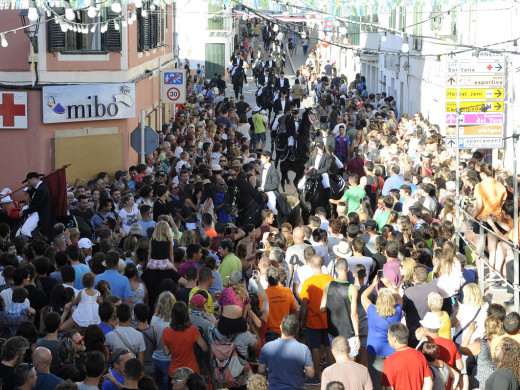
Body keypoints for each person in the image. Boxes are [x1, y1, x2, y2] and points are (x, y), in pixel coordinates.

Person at [361, 277, 402, 390]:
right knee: (391, 381)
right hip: (393, 350)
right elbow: (398, 297)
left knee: (376, 381)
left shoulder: (372, 311)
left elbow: (363, 296)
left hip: (375, 350)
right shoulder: (397, 312)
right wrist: (389, 285)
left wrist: (373, 284)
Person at [299, 255, 334, 386]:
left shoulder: (309, 282)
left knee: (315, 348)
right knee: (329, 347)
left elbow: (304, 303)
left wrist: (302, 319)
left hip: (313, 321)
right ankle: (332, 375)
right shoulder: (330, 279)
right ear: (323, 263)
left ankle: (315, 377)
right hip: (330, 320)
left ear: (310, 265)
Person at [258, 314, 314, 390]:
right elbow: (310, 374)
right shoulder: (304, 349)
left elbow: (261, 370)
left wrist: (272, 373)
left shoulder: (267, 347)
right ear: (297, 330)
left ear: (280, 327)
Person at [320, 258, 361, 362]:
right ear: (347, 269)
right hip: (349, 332)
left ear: (336, 269)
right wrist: (357, 335)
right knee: (351, 359)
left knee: (332, 357)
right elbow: (353, 314)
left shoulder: (328, 285)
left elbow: (322, 308)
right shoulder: (352, 288)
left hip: (332, 330)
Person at [161, 301, 208, 381]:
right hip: (192, 372)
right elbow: (205, 348)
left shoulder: (166, 331)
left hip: (174, 373)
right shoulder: (193, 330)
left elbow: (166, 353)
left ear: (173, 315)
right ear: (186, 314)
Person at [382, 323, 433, 390]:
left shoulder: (389, 361)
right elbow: (429, 383)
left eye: (388, 336)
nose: (387, 338)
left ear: (394, 339)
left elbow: (389, 388)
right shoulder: (419, 355)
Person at [402, 264, 440, 347]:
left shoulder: (409, 292)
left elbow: (402, 310)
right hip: (432, 332)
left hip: (414, 334)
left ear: (414, 276)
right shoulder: (436, 288)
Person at [264, 267, 297, 342]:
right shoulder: (287, 291)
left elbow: (260, 314)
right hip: (286, 330)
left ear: (266, 279)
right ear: (278, 278)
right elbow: (294, 311)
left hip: (270, 332)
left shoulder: (263, 294)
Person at [20, 172, 52, 239]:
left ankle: (31, 243)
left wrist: (24, 212)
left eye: (29, 181)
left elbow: (37, 206)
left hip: (39, 214)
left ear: (33, 179)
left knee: (25, 230)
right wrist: (30, 189)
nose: (28, 183)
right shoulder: (39, 188)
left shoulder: (42, 189)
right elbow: (33, 200)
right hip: (37, 213)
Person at [257, 150, 279, 216]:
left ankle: (274, 222)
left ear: (268, 158)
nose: (261, 159)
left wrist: (263, 188)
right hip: (260, 191)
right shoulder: (261, 169)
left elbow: (275, 184)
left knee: (272, 208)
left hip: (270, 192)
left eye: (263, 158)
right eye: (261, 158)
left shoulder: (273, 170)